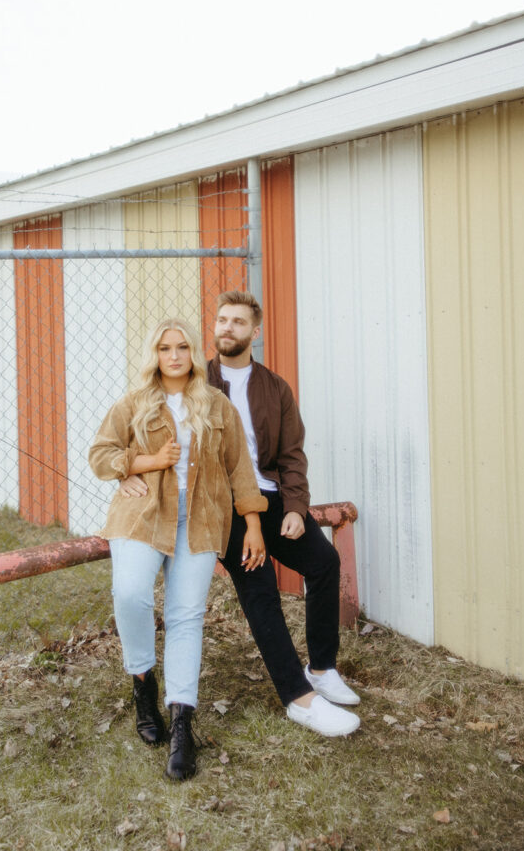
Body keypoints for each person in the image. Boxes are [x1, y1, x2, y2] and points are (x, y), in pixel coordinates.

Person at [121, 292, 360, 738]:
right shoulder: (195, 378)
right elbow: (138, 433)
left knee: (323, 563)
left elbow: (291, 456)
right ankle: (298, 698)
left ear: (256, 331)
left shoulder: (275, 388)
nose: (227, 328)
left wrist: (294, 508)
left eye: (238, 322)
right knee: (259, 584)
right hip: (217, 506)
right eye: (221, 320)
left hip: (266, 498)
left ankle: (322, 669)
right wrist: (127, 474)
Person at [89, 318, 267, 780]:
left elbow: (240, 469)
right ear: (155, 354)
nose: (174, 356)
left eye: (182, 347)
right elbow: (100, 454)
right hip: (143, 516)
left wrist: (252, 524)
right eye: (165, 348)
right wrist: (139, 464)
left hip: (201, 522)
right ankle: (143, 682)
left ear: (192, 353)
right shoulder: (133, 404)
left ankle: (182, 721)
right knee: (130, 595)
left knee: (187, 616)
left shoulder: (216, 406)